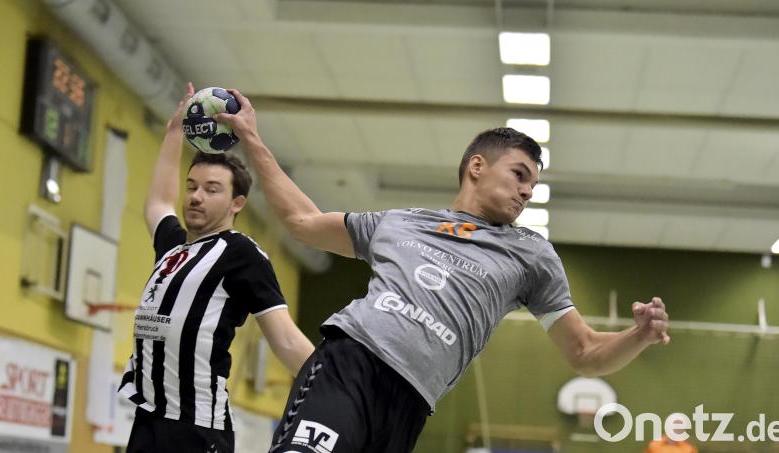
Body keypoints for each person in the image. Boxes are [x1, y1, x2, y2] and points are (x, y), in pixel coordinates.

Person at [216, 89, 671, 453]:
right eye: (519, 174)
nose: (527, 191)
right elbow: (303, 224)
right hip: (350, 365)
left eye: (533, 183)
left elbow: (585, 352)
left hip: (410, 406)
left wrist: (639, 336)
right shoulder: (400, 222)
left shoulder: (531, 256)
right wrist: (252, 139)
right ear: (477, 166)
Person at [118, 83, 315, 453]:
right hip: (148, 421)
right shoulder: (174, 248)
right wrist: (175, 131)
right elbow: (158, 202)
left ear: (236, 203)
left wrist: (340, 391)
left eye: (211, 189)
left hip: (196, 430)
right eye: (192, 186)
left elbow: (286, 339)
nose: (195, 196)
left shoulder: (241, 253)